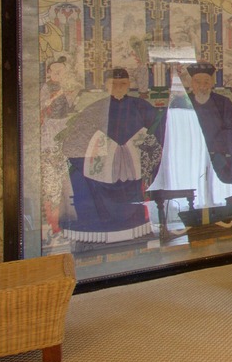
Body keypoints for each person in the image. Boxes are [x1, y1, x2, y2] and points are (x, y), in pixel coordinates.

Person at [58, 68, 164, 243]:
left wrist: (138, 149)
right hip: (102, 169)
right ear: (107, 85)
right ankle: (102, 228)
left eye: (123, 84)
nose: (119, 87)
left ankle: (136, 226)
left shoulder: (141, 106)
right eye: (114, 84)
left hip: (134, 166)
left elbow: (158, 129)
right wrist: (106, 152)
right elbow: (78, 137)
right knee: (82, 179)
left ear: (129, 85)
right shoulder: (96, 108)